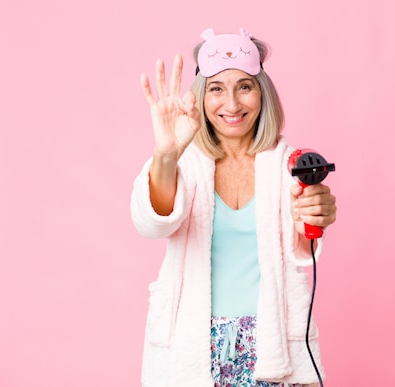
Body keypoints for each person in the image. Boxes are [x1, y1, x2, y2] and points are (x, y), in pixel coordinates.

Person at [130, 27, 337, 387]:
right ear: (201, 95)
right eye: (216, 89)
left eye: (244, 86)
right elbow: (153, 224)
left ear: (263, 93)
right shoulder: (185, 164)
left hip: (270, 342)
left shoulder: (288, 166)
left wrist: (316, 215)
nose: (232, 104)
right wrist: (166, 154)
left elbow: (304, 246)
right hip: (194, 340)